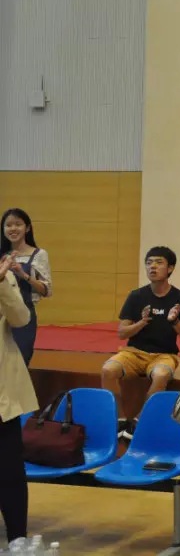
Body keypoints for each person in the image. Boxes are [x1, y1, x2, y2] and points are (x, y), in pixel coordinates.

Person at [103, 246, 180, 440]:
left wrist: (174, 321)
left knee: (161, 374)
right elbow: (122, 332)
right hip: (133, 353)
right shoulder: (136, 296)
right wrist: (142, 322)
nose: (152, 266)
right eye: (149, 263)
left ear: (170, 268)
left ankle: (139, 422)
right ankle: (119, 419)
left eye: (159, 263)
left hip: (165, 354)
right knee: (108, 370)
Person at [0, 253, 37, 546]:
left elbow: (21, 318)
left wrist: (2, 283)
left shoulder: (5, 276)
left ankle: (17, 540)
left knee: (9, 467)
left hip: (2, 389)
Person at [0, 208, 53, 365]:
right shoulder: (2, 255)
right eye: (8, 225)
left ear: (27, 228)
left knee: (20, 363)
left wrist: (23, 274)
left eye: (18, 224)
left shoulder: (39, 254)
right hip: (1, 314)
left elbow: (46, 290)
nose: (13, 229)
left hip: (23, 315)